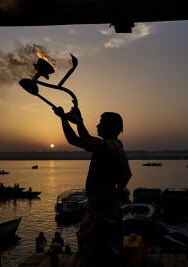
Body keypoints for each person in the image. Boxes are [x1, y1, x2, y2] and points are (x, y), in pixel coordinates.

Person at [54, 106, 132, 267]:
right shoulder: (116, 144)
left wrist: (62, 117)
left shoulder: (103, 146)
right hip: (111, 209)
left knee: (93, 255)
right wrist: (79, 121)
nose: (97, 126)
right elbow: (86, 137)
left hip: (100, 214)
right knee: (109, 253)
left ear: (109, 127)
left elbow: (74, 139)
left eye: (100, 123)